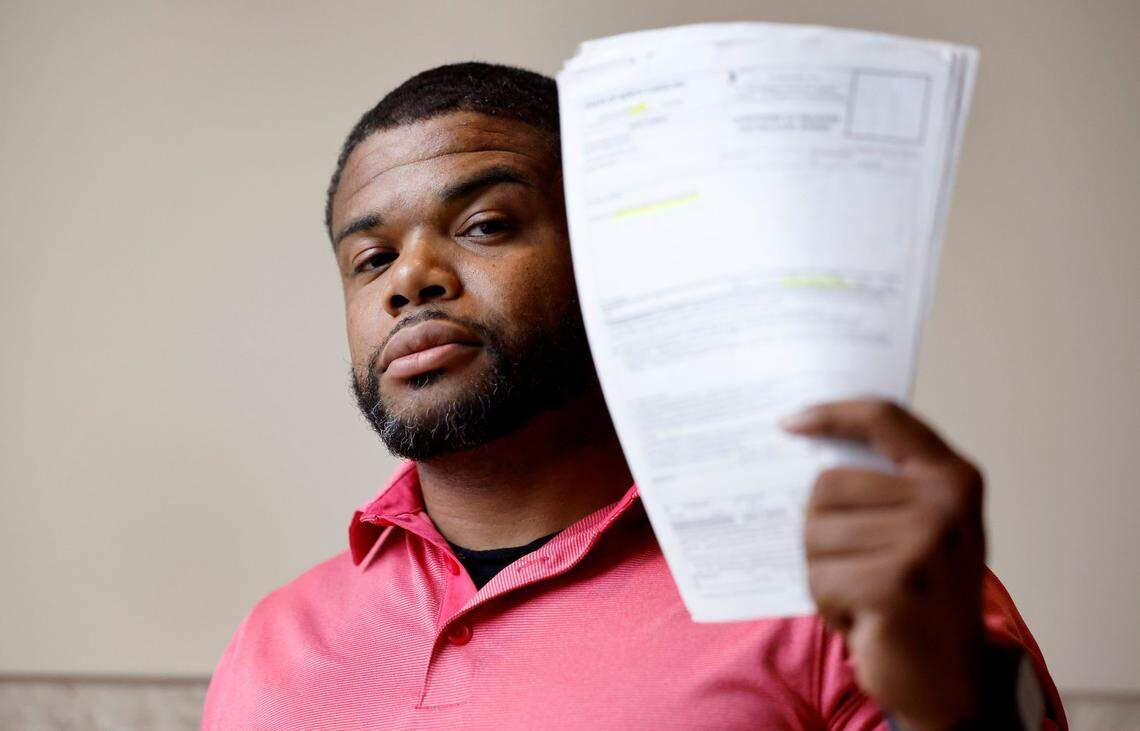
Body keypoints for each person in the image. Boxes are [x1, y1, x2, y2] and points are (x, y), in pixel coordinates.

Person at [202, 62, 1066, 730]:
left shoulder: (857, 590)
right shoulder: (272, 640)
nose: (412, 280)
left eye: (485, 225)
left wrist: (953, 703)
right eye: (372, 259)